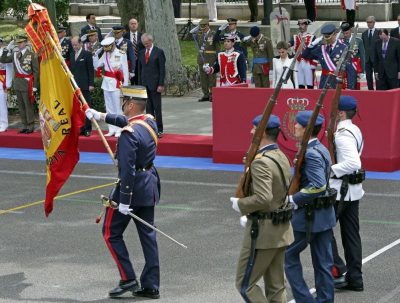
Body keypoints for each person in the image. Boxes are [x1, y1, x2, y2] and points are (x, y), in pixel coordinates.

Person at [85, 85, 161, 300]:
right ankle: (151, 285)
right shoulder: (149, 122)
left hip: (131, 190)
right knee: (148, 236)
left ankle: (128, 278)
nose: (123, 105)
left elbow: (127, 171)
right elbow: (126, 121)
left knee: (110, 232)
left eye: (124, 102)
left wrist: (124, 201)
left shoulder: (128, 135)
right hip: (148, 186)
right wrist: (100, 116)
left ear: (129, 104)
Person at [230, 114, 294, 303]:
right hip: (280, 229)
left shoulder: (261, 161)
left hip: (263, 233)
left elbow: (263, 198)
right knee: (276, 287)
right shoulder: (280, 155)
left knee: (244, 284)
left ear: (263, 132)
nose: (251, 131)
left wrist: (240, 204)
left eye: (254, 128)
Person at [285, 111, 336, 303]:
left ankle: (305, 300)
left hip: (308, 217)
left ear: (306, 129)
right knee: (323, 263)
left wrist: (293, 200)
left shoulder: (311, 153)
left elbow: (318, 185)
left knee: (288, 256)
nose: (295, 127)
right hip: (323, 216)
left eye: (298, 124)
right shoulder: (321, 148)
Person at [329, 95, 365, 292]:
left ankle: (338, 269)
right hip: (352, 192)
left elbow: (353, 163)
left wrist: (331, 170)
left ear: (341, 113)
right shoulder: (354, 129)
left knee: (324, 230)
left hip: (340, 192)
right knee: (351, 236)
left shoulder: (342, 133)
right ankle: (355, 278)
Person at [0, 34, 39, 134]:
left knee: (28, 105)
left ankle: (30, 125)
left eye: (21, 42)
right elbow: (3, 60)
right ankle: (24, 125)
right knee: (21, 106)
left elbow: (36, 72)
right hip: (18, 83)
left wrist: (35, 86)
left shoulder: (32, 55)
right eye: (18, 43)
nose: (19, 44)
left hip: (27, 83)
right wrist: (6, 50)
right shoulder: (15, 55)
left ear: (26, 43)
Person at [95, 37, 129, 137]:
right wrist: (95, 55)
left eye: (107, 47)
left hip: (116, 83)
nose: (106, 49)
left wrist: (125, 86)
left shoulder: (121, 53)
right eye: (105, 47)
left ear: (113, 44)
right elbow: (97, 65)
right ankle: (111, 129)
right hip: (106, 84)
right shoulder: (105, 54)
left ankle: (119, 129)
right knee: (109, 108)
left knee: (117, 108)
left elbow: (125, 70)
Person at [302, 23, 350, 89]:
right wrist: (312, 44)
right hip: (324, 81)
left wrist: (349, 85)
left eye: (328, 36)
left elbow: (348, 67)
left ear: (335, 34)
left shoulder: (343, 47)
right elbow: (305, 55)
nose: (327, 39)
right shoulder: (321, 48)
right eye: (325, 36)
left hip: (337, 81)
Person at [138, 33, 166, 138]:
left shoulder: (159, 52)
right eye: (144, 44)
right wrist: (140, 85)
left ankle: (159, 129)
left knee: (157, 107)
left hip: (155, 85)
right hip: (145, 85)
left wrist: (161, 84)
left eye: (147, 43)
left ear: (151, 41)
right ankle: (150, 128)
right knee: (148, 109)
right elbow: (140, 70)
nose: (146, 45)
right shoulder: (141, 53)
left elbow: (162, 70)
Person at [70, 36, 94, 137]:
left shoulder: (87, 54)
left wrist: (91, 84)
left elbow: (90, 70)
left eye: (76, 44)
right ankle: (81, 127)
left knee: (86, 107)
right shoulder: (71, 55)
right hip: (74, 86)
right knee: (77, 108)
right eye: (73, 45)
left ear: (80, 43)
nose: (74, 47)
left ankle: (88, 128)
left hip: (85, 86)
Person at [190, 19, 219, 102]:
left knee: (211, 78)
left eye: (204, 27)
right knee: (203, 78)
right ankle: (205, 94)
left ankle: (212, 94)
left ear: (208, 25)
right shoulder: (199, 34)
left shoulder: (213, 34)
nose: (203, 29)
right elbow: (191, 32)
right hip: (201, 58)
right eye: (201, 28)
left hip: (211, 58)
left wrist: (217, 59)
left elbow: (217, 47)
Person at [289, 19, 317, 89]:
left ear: (306, 26)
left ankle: (310, 96)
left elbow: (315, 50)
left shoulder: (312, 37)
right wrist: (285, 44)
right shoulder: (295, 37)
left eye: (302, 25)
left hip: (308, 61)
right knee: (300, 81)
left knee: (309, 81)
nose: (301, 26)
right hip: (298, 62)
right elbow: (289, 44)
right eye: (300, 25)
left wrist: (313, 62)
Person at [340, 22, 365, 90]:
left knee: (353, 85)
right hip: (344, 66)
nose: (345, 35)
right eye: (344, 33)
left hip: (354, 66)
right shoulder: (340, 41)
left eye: (347, 33)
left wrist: (362, 70)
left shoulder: (358, 41)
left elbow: (362, 56)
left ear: (351, 31)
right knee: (344, 85)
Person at [361, 16, 380, 90]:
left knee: (377, 77)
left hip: (376, 59)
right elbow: (363, 47)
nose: (369, 24)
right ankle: (370, 91)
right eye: (367, 22)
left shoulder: (378, 33)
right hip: (367, 59)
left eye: (370, 22)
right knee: (368, 77)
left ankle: (378, 91)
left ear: (374, 22)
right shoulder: (364, 34)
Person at [123, 18, 144, 85]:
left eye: (135, 23)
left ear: (137, 25)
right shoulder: (125, 36)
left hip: (139, 61)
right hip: (129, 62)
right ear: (129, 25)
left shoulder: (142, 36)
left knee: (139, 80)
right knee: (130, 81)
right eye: (132, 24)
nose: (133, 25)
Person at [0, 37, 13, 132]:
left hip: (1, 80)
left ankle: (4, 123)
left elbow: (9, 69)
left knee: (2, 104)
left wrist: (8, 83)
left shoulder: (5, 52)